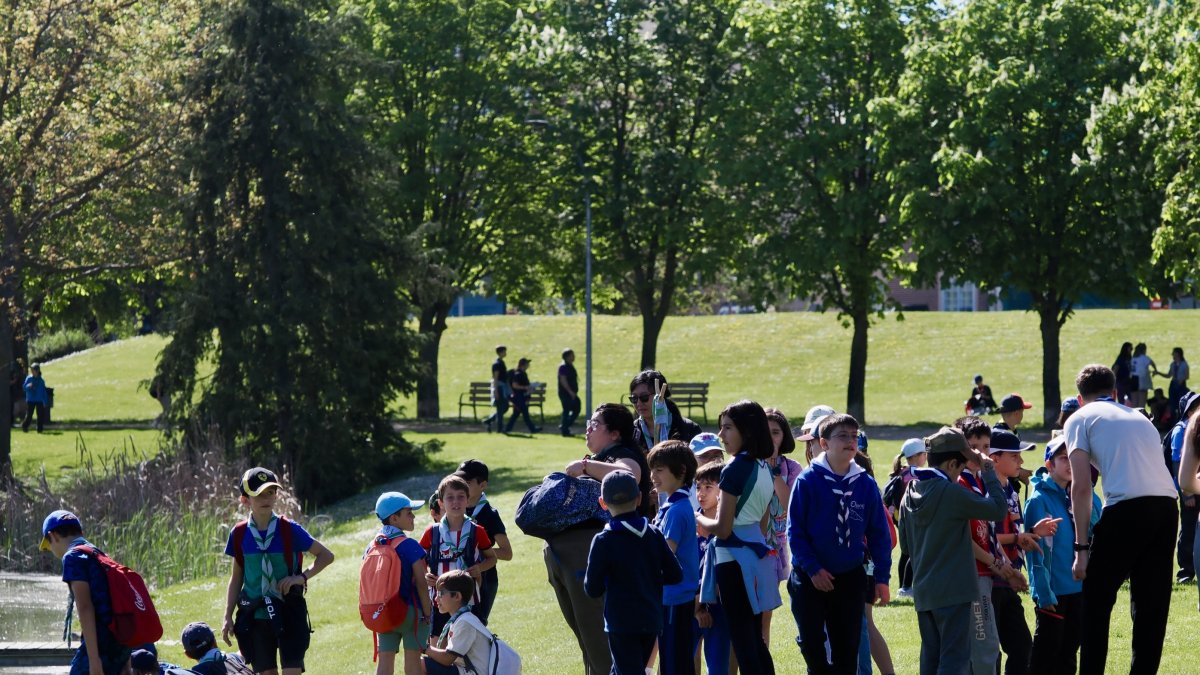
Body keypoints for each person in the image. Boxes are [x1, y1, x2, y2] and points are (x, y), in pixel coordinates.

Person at [1065, 364, 1178, 674]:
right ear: (1114, 392)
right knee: (1151, 607)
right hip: (1167, 507)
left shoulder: (1079, 418)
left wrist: (1081, 549)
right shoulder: (1139, 417)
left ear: (1079, 398)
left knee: (1095, 603)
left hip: (1127, 509)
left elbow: (1081, 487)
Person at [547, 402, 647, 675]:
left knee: (599, 639)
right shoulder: (603, 458)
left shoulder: (623, 454)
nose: (587, 430)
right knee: (587, 639)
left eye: (594, 425)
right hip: (569, 554)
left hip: (597, 553)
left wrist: (585, 466)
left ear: (614, 433)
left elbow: (628, 475)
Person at [787, 413, 891, 674]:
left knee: (847, 650)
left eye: (854, 436)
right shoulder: (808, 481)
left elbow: (879, 534)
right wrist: (813, 569)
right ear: (823, 443)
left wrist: (882, 577)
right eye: (842, 436)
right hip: (810, 577)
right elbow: (795, 531)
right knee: (812, 645)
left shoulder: (865, 484)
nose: (850, 441)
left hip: (849, 577)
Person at [898, 427, 1007, 675]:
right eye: (960, 468)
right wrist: (989, 471)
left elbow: (905, 546)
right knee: (954, 661)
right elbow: (998, 510)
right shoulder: (951, 491)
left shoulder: (910, 491)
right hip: (954, 592)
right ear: (950, 464)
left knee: (930, 660)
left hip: (924, 591)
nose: (961, 475)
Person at [222, 467, 335, 675]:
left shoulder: (289, 529)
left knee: (292, 670)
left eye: (271, 492)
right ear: (245, 500)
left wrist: (300, 577)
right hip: (255, 615)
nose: (267, 498)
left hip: (288, 610)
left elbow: (326, 556)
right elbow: (236, 578)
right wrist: (228, 615)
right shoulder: (238, 534)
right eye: (259, 494)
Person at [696, 400, 781, 674]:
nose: (721, 436)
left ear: (747, 429)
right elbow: (763, 521)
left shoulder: (734, 468)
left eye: (727, 428)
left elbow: (722, 529)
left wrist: (695, 516)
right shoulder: (766, 468)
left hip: (733, 561)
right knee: (755, 640)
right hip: (757, 558)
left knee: (744, 643)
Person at [584, 470, 684, 675]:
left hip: (621, 623)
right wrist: (648, 578)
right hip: (651, 619)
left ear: (603, 503)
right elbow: (675, 574)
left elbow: (592, 588)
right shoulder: (654, 534)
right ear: (639, 498)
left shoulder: (603, 540)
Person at [1024, 436, 1101, 675]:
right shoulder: (1038, 500)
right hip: (1054, 591)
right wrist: (1042, 591)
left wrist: (1087, 493)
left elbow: (1097, 527)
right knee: (1046, 655)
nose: (1069, 463)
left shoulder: (1080, 493)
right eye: (1062, 458)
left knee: (1069, 654)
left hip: (1079, 587)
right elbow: (1035, 552)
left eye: (1073, 458)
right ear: (1049, 465)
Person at [988, 429, 1059, 675]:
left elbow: (1013, 532)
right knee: (990, 652)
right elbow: (985, 537)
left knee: (1021, 647)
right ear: (994, 458)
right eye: (1014, 455)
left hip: (1009, 580)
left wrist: (1031, 532)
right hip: (991, 580)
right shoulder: (987, 490)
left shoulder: (1011, 489)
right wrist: (1019, 537)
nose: (1021, 461)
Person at [40, 510, 133, 674]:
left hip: (101, 644)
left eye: (48, 545)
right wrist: (126, 657)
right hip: (119, 643)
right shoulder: (97, 553)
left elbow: (85, 607)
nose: (52, 550)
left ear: (52, 536)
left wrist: (93, 660)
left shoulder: (72, 557)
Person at [420, 475, 497, 635]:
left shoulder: (477, 530)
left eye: (461, 497)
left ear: (468, 501)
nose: (455, 502)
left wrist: (479, 568)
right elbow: (418, 560)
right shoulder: (432, 532)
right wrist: (425, 574)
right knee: (438, 644)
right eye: (450, 498)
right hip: (440, 601)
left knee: (469, 645)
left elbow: (492, 558)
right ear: (441, 503)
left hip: (469, 599)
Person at [648, 440, 699, 675]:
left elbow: (664, 556)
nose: (653, 476)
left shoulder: (677, 511)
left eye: (659, 470)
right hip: (673, 597)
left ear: (680, 472)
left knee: (674, 663)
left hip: (675, 597)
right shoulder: (672, 505)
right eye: (652, 469)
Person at [368, 491, 433, 675]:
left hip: (383, 612)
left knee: (385, 663)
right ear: (395, 518)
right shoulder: (410, 545)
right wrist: (427, 612)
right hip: (411, 612)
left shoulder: (372, 546)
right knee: (413, 663)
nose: (413, 516)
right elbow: (421, 582)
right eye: (409, 513)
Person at [452, 459, 512, 624]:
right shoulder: (454, 509)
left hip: (484, 580)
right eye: (459, 481)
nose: (461, 486)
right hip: (457, 576)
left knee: (476, 625)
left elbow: (507, 553)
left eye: (467, 482)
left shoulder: (489, 515)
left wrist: (481, 552)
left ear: (483, 485)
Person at [763, 407, 801, 643]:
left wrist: (774, 471)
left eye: (775, 432)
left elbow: (790, 507)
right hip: (746, 545)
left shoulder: (792, 469)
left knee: (765, 614)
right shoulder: (744, 464)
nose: (770, 438)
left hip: (775, 547)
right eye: (764, 432)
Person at [693, 460, 734, 675]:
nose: (701, 493)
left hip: (719, 605)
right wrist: (697, 608)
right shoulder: (689, 523)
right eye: (698, 487)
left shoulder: (730, 527)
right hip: (690, 606)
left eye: (709, 487)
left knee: (718, 666)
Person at [421, 571, 494, 675]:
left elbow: (447, 659)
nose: (436, 598)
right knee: (426, 663)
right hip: (466, 670)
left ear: (457, 596)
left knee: (421, 664)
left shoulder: (465, 622)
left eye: (441, 594)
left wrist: (424, 647)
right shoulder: (462, 619)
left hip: (474, 673)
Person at [886, 437, 926, 598]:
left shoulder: (902, 472)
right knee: (913, 553)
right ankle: (905, 587)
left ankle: (904, 586)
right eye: (924, 454)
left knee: (906, 553)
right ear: (916, 456)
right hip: (913, 519)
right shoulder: (916, 475)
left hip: (901, 518)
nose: (926, 457)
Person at [628, 370, 702, 453]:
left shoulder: (688, 429)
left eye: (644, 397)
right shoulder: (631, 432)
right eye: (634, 398)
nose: (638, 403)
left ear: (661, 397)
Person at [1169, 392, 1200, 584]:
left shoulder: (1194, 424)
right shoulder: (1181, 430)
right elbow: (1176, 462)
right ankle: (1185, 570)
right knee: (1188, 528)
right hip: (1190, 489)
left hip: (1195, 483)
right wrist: (1186, 493)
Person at [181, 621, 253, 674]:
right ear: (215, 642)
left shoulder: (195, 673)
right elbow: (243, 652)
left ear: (188, 655)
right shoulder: (233, 659)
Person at [504, 357, 541, 434]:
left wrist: (530, 388)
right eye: (527, 364)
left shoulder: (523, 373)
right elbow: (515, 385)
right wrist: (526, 387)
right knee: (525, 413)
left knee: (516, 414)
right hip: (519, 397)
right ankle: (532, 429)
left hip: (521, 396)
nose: (528, 365)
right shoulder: (518, 374)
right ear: (523, 365)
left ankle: (507, 429)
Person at [482, 345, 509, 433]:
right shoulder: (497, 364)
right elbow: (496, 378)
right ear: (500, 352)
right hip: (499, 388)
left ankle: (489, 421)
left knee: (504, 407)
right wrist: (496, 390)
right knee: (501, 408)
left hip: (502, 387)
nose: (505, 353)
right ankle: (500, 428)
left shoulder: (501, 362)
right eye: (504, 351)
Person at [1159, 347, 1190, 422]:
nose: (1172, 355)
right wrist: (1158, 373)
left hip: (1181, 385)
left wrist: (1181, 380)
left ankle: (1181, 420)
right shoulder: (1172, 364)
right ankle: (1173, 422)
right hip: (1173, 384)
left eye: (1174, 353)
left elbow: (1187, 376)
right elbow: (1169, 375)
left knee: (1181, 404)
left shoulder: (1184, 364)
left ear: (1178, 354)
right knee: (1172, 405)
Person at [559, 349, 582, 436]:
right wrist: (570, 392)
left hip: (571, 393)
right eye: (572, 355)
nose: (574, 357)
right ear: (567, 356)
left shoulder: (569, 365)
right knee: (566, 410)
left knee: (577, 408)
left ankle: (565, 426)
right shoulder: (563, 367)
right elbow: (563, 380)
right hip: (566, 393)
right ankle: (565, 431)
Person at [1129, 342, 1156, 411]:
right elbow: (1152, 363)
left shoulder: (1133, 358)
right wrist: (1155, 370)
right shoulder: (1144, 357)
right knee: (1142, 401)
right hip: (1141, 379)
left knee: (1134, 402)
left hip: (1133, 379)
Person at [23, 362, 48, 433]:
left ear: (37, 371)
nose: (32, 372)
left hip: (39, 400)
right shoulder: (29, 378)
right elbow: (24, 387)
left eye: (33, 370)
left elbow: (43, 391)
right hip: (30, 400)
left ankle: (39, 429)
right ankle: (25, 426)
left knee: (40, 415)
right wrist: (28, 386)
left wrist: (45, 401)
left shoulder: (41, 381)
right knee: (29, 415)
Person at [1112, 342, 1134, 406]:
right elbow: (1115, 369)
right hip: (1120, 381)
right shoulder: (1121, 358)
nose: (1132, 350)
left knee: (1132, 398)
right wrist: (1113, 382)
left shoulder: (1130, 358)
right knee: (1121, 400)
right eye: (1131, 348)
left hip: (1128, 381)